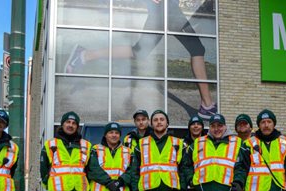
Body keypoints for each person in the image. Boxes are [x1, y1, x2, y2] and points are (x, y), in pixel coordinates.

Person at [64, 0, 216, 118]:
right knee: (197, 49)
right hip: (166, 8)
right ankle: (207, 105)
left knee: (139, 52)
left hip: (166, 9)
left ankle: (85, 55)